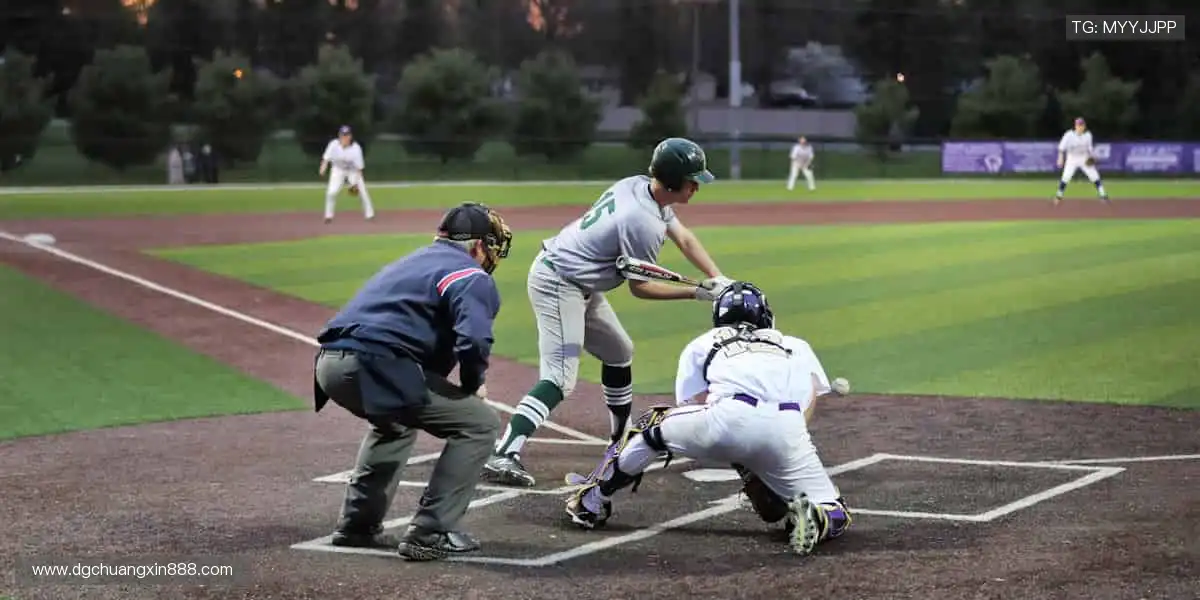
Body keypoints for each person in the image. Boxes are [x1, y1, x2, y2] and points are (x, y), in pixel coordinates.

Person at [481, 137, 736, 488]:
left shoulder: (640, 187)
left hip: (581, 282)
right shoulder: (641, 221)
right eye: (692, 181)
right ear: (673, 181)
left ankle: (621, 437)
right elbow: (640, 287)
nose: (696, 187)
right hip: (558, 282)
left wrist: (718, 278)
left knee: (619, 351)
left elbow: (685, 238)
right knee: (560, 378)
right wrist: (695, 292)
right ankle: (504, 451)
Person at [563, 282, 853, 556]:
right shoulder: (795, 345)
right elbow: (808, 400)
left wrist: (740, 456)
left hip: (728, 420)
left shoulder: (705, 342)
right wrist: (767, 462)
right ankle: (820, 517)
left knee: (654, 424)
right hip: (788, 429)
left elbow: (690, 405)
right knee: (836, 508)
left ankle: (591, 501)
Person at [311, 201, 513, 561]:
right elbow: (474, 340)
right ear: (479, 246)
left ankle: (357, 525)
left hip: (329, 366)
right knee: (480, 423)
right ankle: (431, 531)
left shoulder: (413, 261)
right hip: (376, 364)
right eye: (491, 245)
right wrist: (472, 385)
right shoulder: (472, 275)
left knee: (395, 423)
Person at [319, 125, 376, 223]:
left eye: (347, 135)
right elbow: (326, 158)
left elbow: (359, 169)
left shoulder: (356, 148)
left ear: (350, 136)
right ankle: (328, 216)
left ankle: (370, 215)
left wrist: (355, 184)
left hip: (353, 171)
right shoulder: (333, 144)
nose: (345, 137)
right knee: (331, 192)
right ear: (339, 136)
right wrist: (323, 167)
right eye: (343, 135)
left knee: (362, 191)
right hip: (338, 170)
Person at [1055, 117, 1109, 206]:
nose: (1080, 127)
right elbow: (1061, 147)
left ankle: (1103, 195)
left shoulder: (1088, 135)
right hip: (1072, 158)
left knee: (1094, 175)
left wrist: (1093, 156)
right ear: (1075, 126)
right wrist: (1060, 158)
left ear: (1084, 126)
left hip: (1084, 157)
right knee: (1066, 177)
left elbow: (1090, 148)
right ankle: (1058, 196)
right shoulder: (1069, 135)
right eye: (1078, 125)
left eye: (1081, 125)